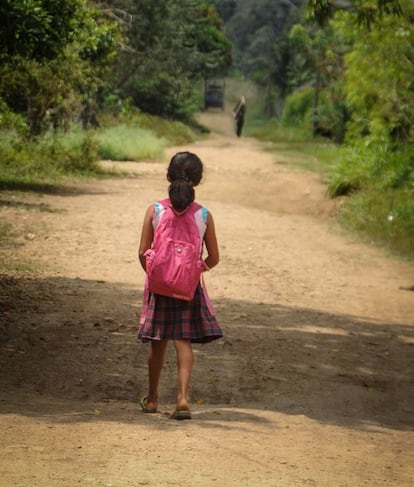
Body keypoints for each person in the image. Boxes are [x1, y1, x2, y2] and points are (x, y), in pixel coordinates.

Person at [137, 151, 223, 420]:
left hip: (159, 287)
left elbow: (142, 252)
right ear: (197, 181)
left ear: (168, 175)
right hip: (188, 289)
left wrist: (157, 275)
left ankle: (152, 399)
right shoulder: (204, 216)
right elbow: (214, 257)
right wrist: (194, 271)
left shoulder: (156, 210)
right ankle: (183, 398)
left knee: (157, 342)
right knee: (183, 341)